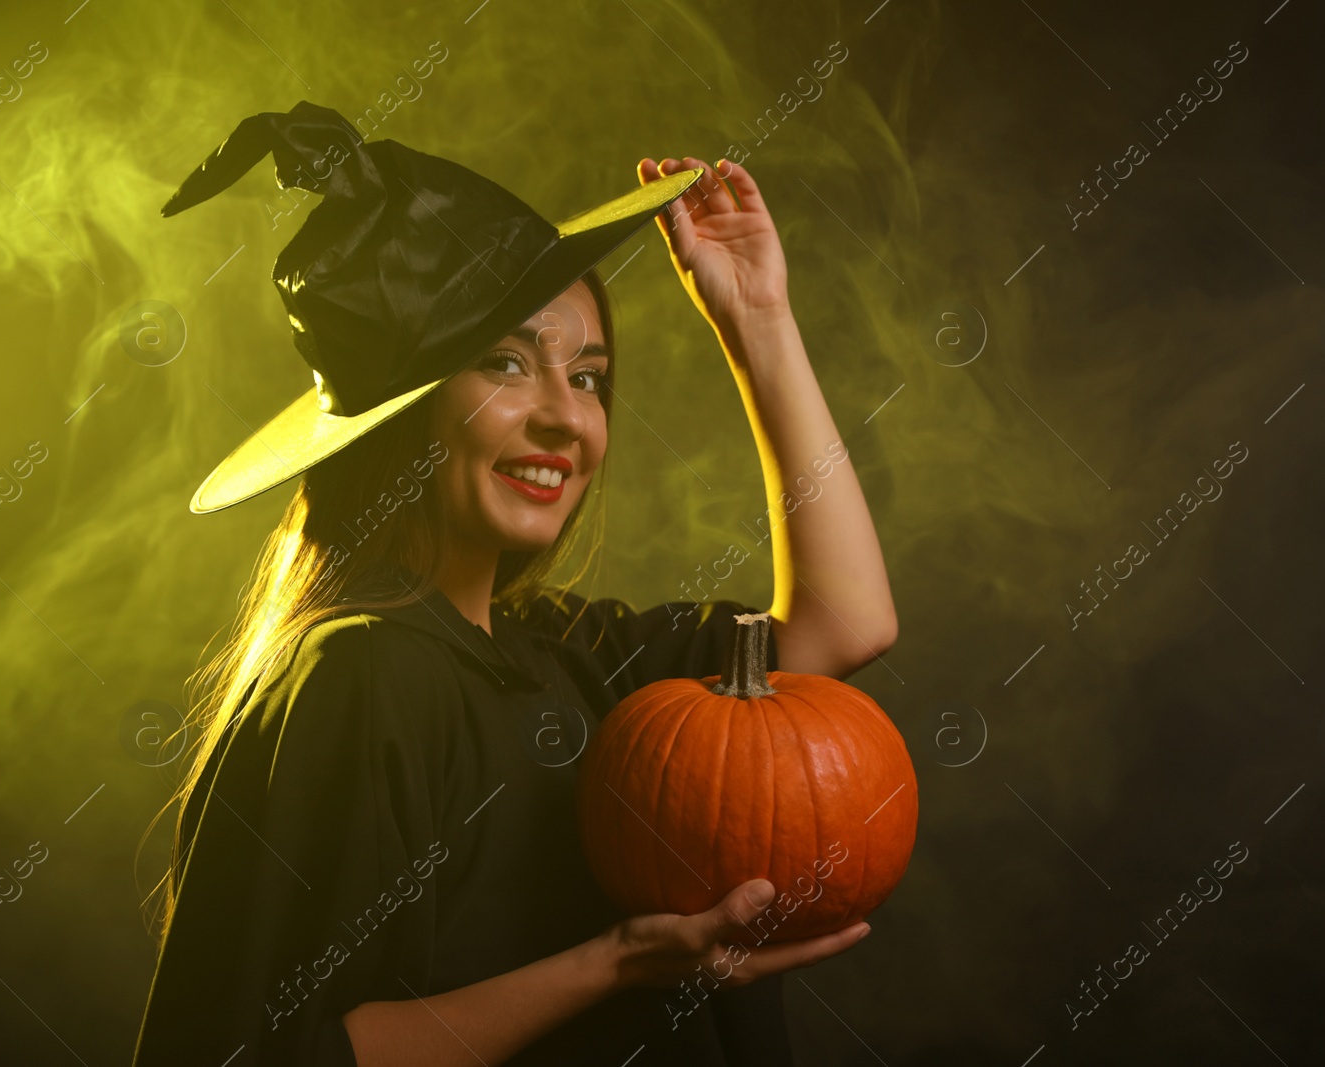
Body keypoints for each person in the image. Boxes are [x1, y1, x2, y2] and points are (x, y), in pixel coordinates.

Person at [133, 102, 896, 1066]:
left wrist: (758, 320)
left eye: (588, 377)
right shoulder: (360, 676)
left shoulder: (564, 651)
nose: (565, 419)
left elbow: (845, 622)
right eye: (505, 363)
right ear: (402, 417)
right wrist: (617, 963)